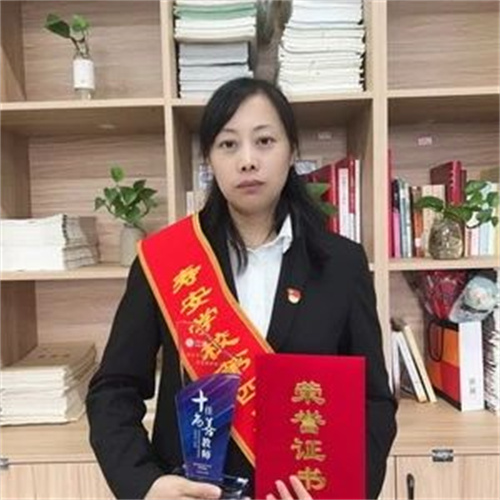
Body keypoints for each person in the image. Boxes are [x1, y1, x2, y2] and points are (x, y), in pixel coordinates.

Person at [86, 77, 397, 500]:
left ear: (292, 152)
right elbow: (113, 391)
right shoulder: (167, 260)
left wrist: (345, 494)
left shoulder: (342, 263)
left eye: (265, 141)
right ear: (209, 159)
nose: (247, 161)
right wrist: (146, 485)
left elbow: (373, 402)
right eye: (228, 144)